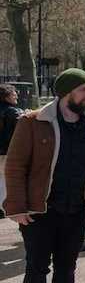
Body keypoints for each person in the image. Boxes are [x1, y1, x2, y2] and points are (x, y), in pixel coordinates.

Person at [4, 69, 85, 283]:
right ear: (65, 92)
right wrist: (16, 207)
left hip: (77, 210)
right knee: (37, 268)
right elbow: (15, 166)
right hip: (39, 211)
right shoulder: (32, 122)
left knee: (67, 268)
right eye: (83, 90)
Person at [1, 83, 22, 216]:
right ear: (6, 96)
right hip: (7, 151)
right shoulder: (13, 112)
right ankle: (3, 208)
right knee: (5, 180)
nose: (16, 95)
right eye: (13, 93)